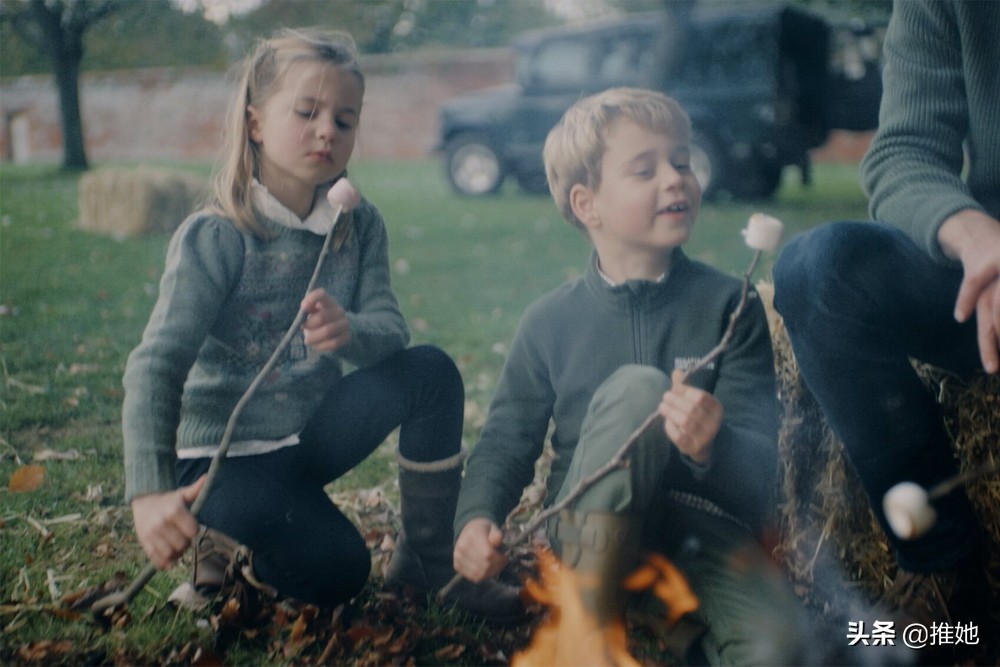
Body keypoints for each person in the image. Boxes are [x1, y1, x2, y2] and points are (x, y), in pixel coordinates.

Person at [121, 27, 520, 621]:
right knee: (339, 572)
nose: (327, 130)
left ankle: (430, 562)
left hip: (306, 437)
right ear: (255, 123)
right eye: (306, 112)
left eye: (345, 118)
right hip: (218, 459)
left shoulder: (356, 225)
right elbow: (156, 363)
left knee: (430, 371)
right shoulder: (219, 235)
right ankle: (235, 555)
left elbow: (390, 328)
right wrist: (150, 491)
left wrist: (350, 330)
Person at [452, 87, 811, 665]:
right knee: (641, 388)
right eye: (645, 169)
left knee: (783, 648)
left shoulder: (733, 306)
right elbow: (505, 442)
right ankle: (590, 630)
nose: (675, 179)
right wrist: (475, 520)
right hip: (587, 532)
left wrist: (712, 445)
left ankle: (673, 626)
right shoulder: (550, 321)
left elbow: (762, 478)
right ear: (587, 204)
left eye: (682, 161)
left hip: (700, 535)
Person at [773, 0, 998, 635]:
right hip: (982, 279)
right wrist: (976, 236)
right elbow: (902, 155)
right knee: (819, 269)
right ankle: (941, 568)